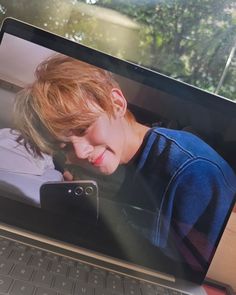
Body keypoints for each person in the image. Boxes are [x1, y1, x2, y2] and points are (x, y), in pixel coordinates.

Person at [13, 54, 236, 270]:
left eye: (84, 128)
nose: (80, 153)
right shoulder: (115, 163)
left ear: (117, 103)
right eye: (65, 146)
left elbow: (201, 271)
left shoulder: (193, 170)